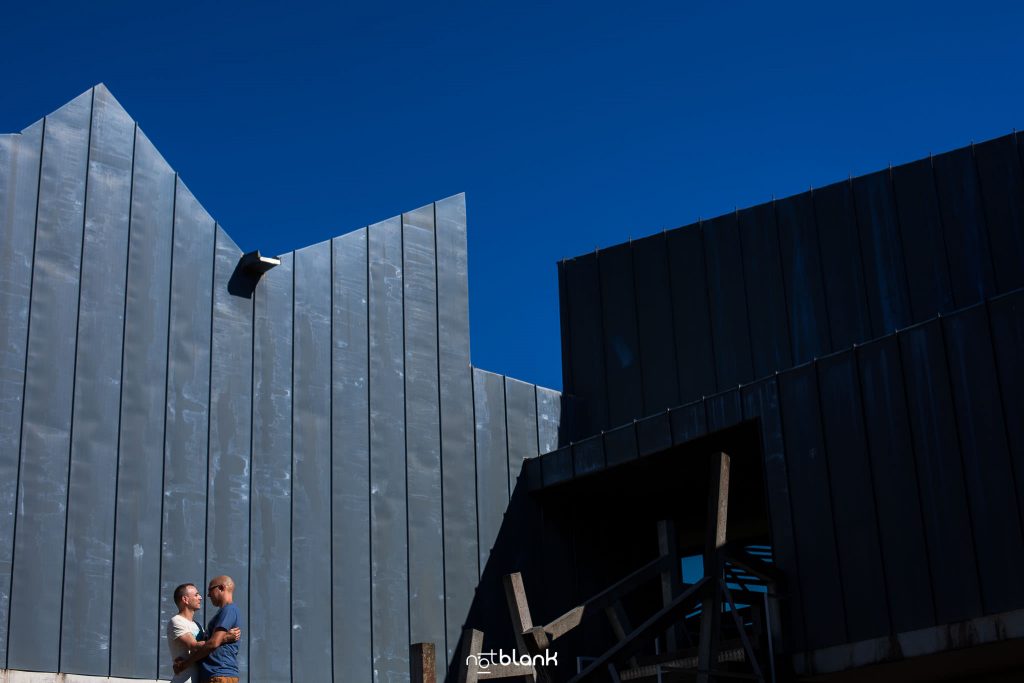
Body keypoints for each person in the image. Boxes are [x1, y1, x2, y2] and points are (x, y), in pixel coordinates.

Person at [173, 575, 243, 683]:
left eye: (210, 590)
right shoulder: (225, 611)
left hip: (219, 674)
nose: (208, 595)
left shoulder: (229, 610)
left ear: (221, 588)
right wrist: (224, 638)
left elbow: (213, 643)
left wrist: (185, 664)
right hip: (216, 674)